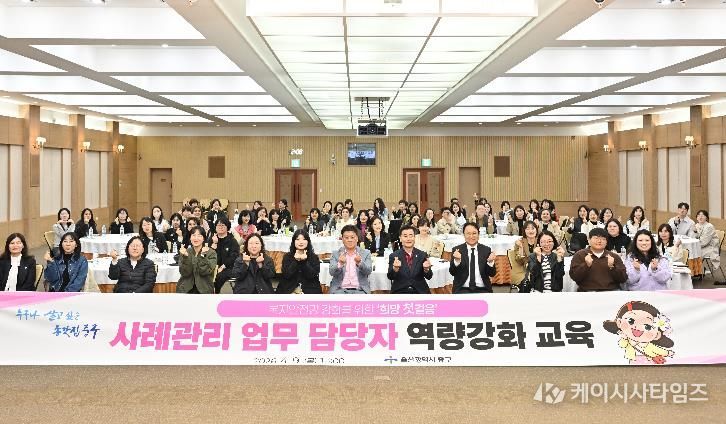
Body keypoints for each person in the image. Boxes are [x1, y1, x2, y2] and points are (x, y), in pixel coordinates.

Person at [569, 228, 627, 292]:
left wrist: (612, 267)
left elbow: (623, 279)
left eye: (603, 239)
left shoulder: (614, 256)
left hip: (612, 290)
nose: (599, 241)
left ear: (606, 242)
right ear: (589, 240)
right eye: (596, 238)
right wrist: (586, 265)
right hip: (587, 291)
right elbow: (574, 277)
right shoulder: (580, 255)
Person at [449, 223, 496, 293]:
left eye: (474, 233)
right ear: (464, 235)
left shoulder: (486, 250)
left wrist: (490, 262)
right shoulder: (457, 250)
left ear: (478, 234)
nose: (471, 236)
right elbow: (452, 272)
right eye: (468, 233)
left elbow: (492, 274)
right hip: (462, 289)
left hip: (483, 289)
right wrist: (457, 261)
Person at [387, 225, 433, 294]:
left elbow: (429, 276)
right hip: (400, 291)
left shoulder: (422, 254)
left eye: (411, 236)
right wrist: (395, 269)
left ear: (415, 238)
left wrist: (426, 269)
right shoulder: (394, 256)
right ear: (400, 238)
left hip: (419, 291)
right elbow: (390, 276)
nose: (408, 239)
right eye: (405, 236)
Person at [329, 225, 372, 294]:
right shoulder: (336, 254)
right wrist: (340, 264)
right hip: (339, 290)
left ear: (357, 238)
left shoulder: (365, 253)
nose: (349, 240)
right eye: (346, 237)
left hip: (360, 290)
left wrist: (360, 263)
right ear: (342, 239)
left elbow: (368, 271)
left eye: (352, 237)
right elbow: (331, 272)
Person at [278, 229, 321, 294]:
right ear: (293, 242)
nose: (301, 242)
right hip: (289, 289)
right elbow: (286, 275)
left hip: (309, 289)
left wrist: (304, 261)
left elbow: (312, 275)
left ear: (308, 241)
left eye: (304, 239)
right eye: (297, 239)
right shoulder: (287, 256)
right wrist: (295, 261)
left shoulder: (314, 257)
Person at [176, 226, 217, 294]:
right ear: (190, 238)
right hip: (186, 288)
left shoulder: (211, 253)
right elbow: (184, 273)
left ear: (203, 238)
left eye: (199, 236)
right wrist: (185, 257)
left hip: (204, 289)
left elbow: (204, 271)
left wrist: (203, 256)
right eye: (193, 235)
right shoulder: (186, 252)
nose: (196, 238)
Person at [209, 217, 240, 293]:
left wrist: (223, 266)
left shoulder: (232, 241)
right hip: (213, 266)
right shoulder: (212, 239)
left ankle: (215, 292)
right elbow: (208, 255)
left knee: (219, 276)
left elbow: (234, 257)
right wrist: (214, 245)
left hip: (229, 267)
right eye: (218, 225)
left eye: (223, 225)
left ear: (227, 227)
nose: (220, 227)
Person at [508, 221, 539, 289]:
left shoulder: (540, 241)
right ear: (524, 231)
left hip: (539, 269)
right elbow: (520, 262)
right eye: (528, 228)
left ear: (536, 230)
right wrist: (521, 248)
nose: (530, 231)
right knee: (527, 284)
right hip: (522, 270)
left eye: (533, 228)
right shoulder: (519, 242)